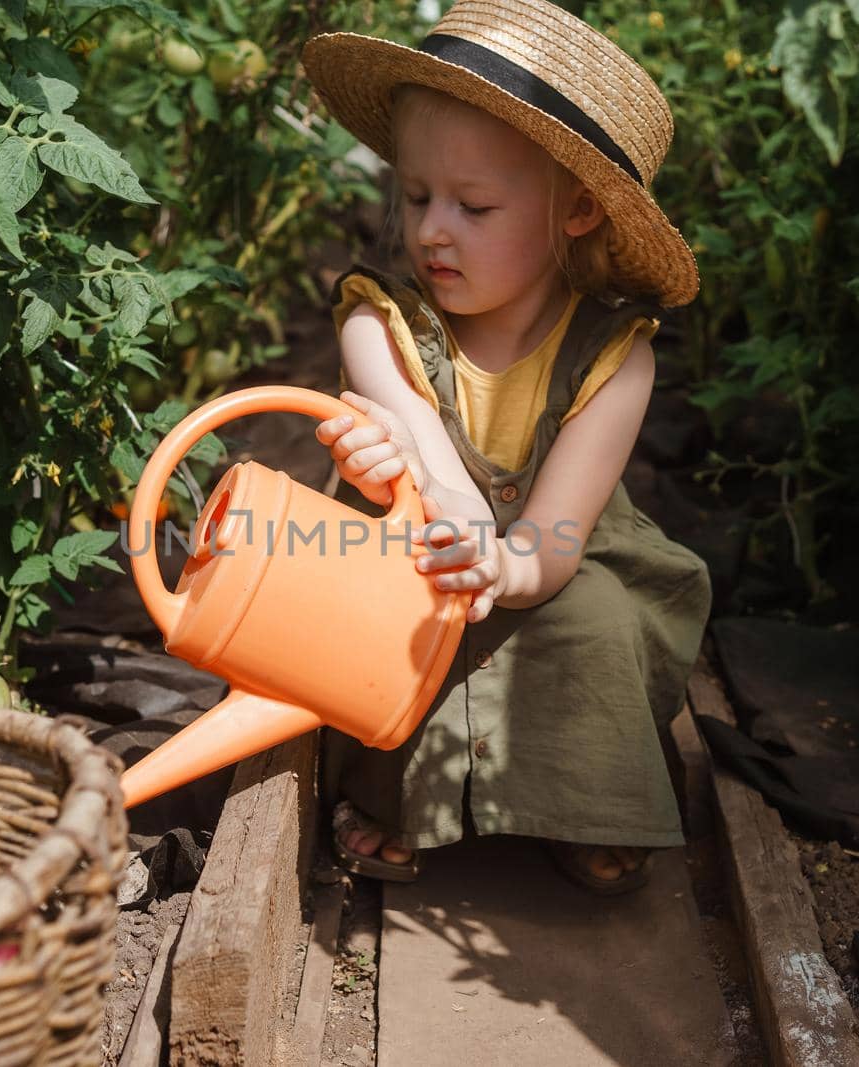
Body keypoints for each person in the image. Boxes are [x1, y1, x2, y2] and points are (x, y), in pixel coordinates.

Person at [299, 0, 712, 894]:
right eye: (415, 197)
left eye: (474, 205)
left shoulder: (615, 357)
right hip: (421, 544)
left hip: (548, 557)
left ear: (577, 213)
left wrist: (505, 568)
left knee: (595, 621)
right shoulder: (384, 322)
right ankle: (397, 797)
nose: (431, 229)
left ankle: (586, 799)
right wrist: (449, 523)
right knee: (395, 608)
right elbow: (425, 458)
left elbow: (557, 537)